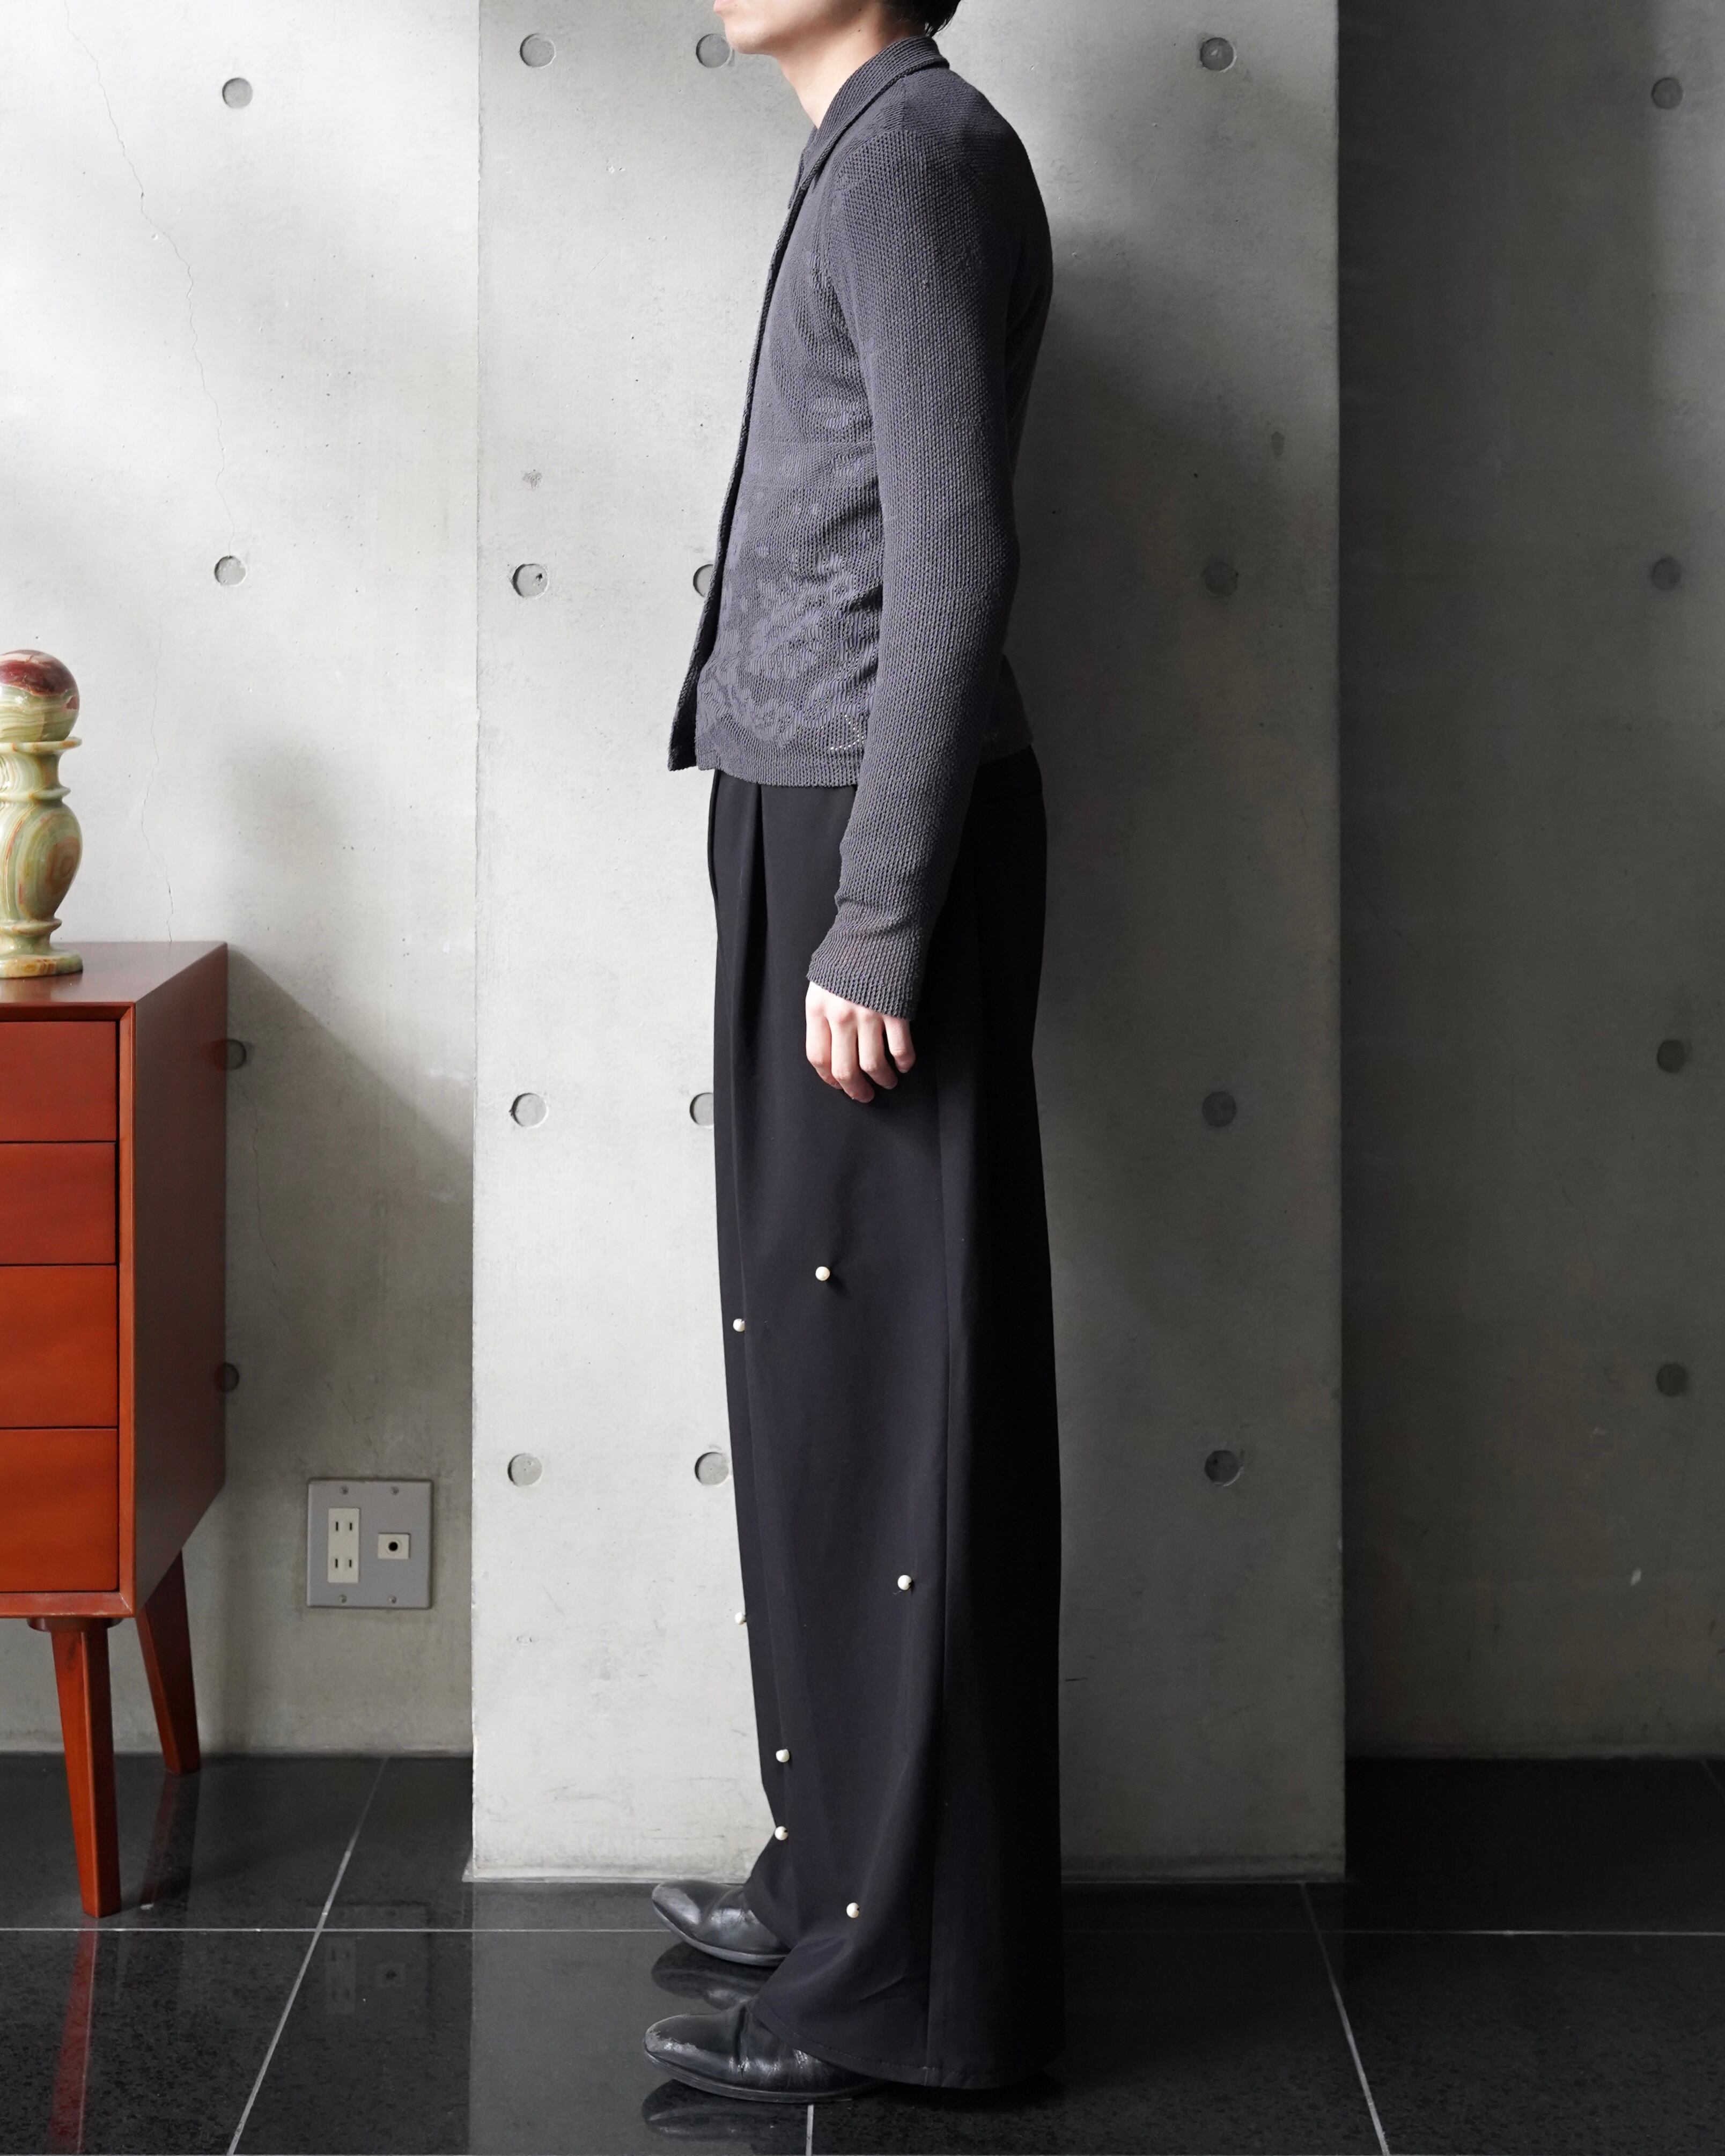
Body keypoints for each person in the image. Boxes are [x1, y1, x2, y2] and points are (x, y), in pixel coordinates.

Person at [646, 0, 1060, 2103]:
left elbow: (956, 547)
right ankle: (842, 1889)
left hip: (863, 840)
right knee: (827, 1385)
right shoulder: (879, 147)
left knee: (900, 1403)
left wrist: (881, 911)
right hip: (807, 811)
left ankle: (911, 1987)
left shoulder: (911, 158)